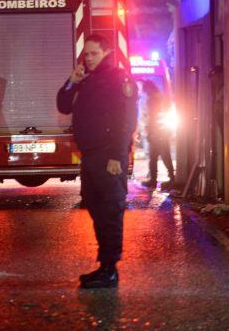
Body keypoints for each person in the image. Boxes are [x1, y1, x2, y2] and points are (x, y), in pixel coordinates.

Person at [57, 34, 138, 289]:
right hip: (91, 156)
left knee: (110, 211)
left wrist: (117, 155)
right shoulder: (88, 79)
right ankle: (104, 264)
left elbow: (125, 120)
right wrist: (72, 81)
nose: (88, 58)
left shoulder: (118, 79)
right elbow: (63, 106)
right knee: (94, 206)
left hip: (108, 156)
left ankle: (109, 269)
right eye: (86, 54)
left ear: (106, 52)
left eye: (93, 53)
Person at [142, 80, 175, 188]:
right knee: (164, 155)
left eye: (145, 90)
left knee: (154, 157)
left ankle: (154, 180)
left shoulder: (152, 100)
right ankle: (171, 178)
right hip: (163, 131)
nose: (145, 93)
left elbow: (152, 118)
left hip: (156, 132)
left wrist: (150, 132)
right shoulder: (161, 98)